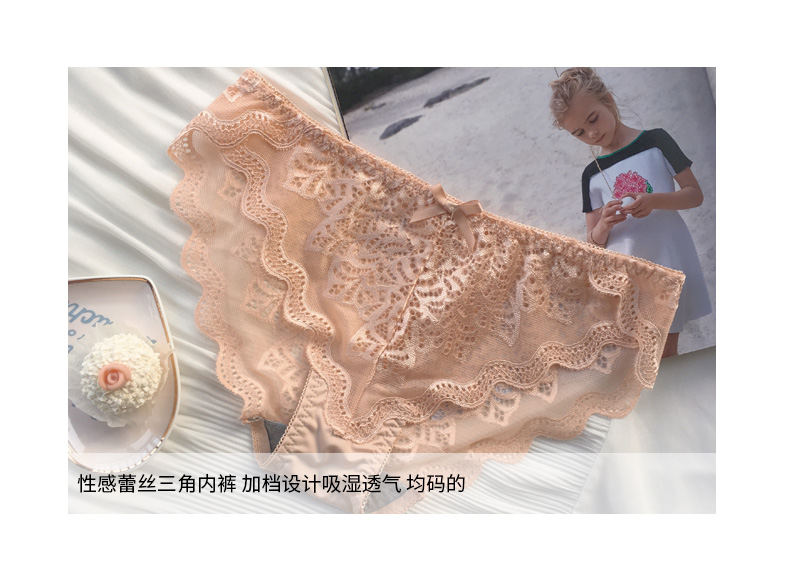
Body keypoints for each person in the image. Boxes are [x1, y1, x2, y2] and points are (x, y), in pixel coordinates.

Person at [549, 68, 711, 358]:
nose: (592, 133)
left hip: (667, 261)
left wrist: (654, 201)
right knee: (645, 355)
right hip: (626, 277)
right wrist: (605, 224)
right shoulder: (591, 175)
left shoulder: (656, 142)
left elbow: (694, 195)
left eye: (593, 119)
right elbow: (593, 242)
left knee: (664, 350)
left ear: (608, 101)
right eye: (579, 133)